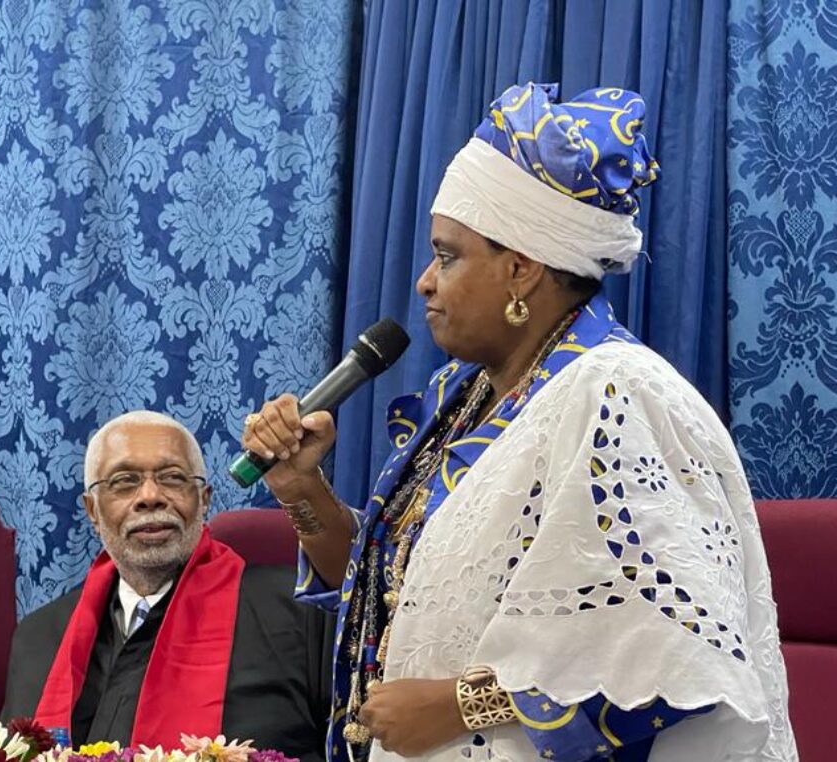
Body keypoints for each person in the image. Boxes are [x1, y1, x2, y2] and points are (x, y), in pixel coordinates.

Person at [243, 83, 795, 762]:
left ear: (521, 269)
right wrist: (303, 490)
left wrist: (459, 705)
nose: (424, 281)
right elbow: (388, 596)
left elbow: (676, 654)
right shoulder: (468, 398)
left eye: (447, 255)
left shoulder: (620, 394)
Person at [3, 411, 331, 762]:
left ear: (204, 499)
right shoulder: (39, 636)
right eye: (124, 481)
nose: (150, 496)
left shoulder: (298, 607)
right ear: (92, 510)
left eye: (172, 478)